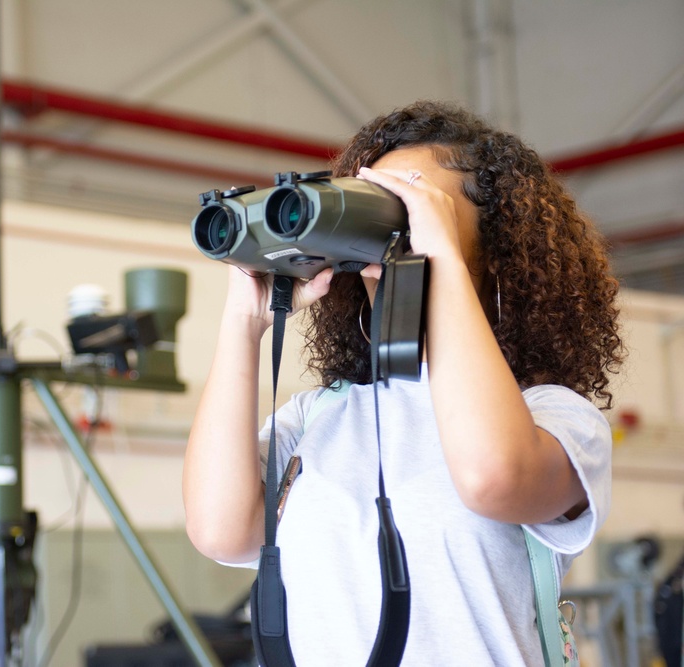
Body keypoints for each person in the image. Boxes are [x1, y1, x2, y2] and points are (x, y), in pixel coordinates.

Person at [182, 100, 624, 665]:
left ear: (497, 250)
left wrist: (438, 260)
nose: (400, 224)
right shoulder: (316, 418)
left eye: (414, 203)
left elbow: (494, 478)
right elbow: (223, 532)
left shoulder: (552, 417)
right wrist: (243, 324)